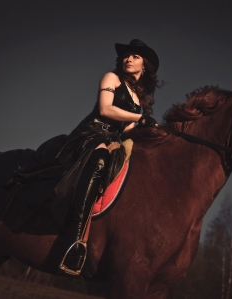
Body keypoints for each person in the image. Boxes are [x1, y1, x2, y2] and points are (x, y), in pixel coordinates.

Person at [54, 39, 161, 275]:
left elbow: (124, 130)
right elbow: (105, 109)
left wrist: (147, 127)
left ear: (145, 66)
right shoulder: (111, 78)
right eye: (127, 55)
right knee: (101, 158)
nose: (128, 59)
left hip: (112, 139)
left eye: (135, 56)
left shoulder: (137, 99)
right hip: (89, 134)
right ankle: (74, 240)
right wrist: (137, 119)